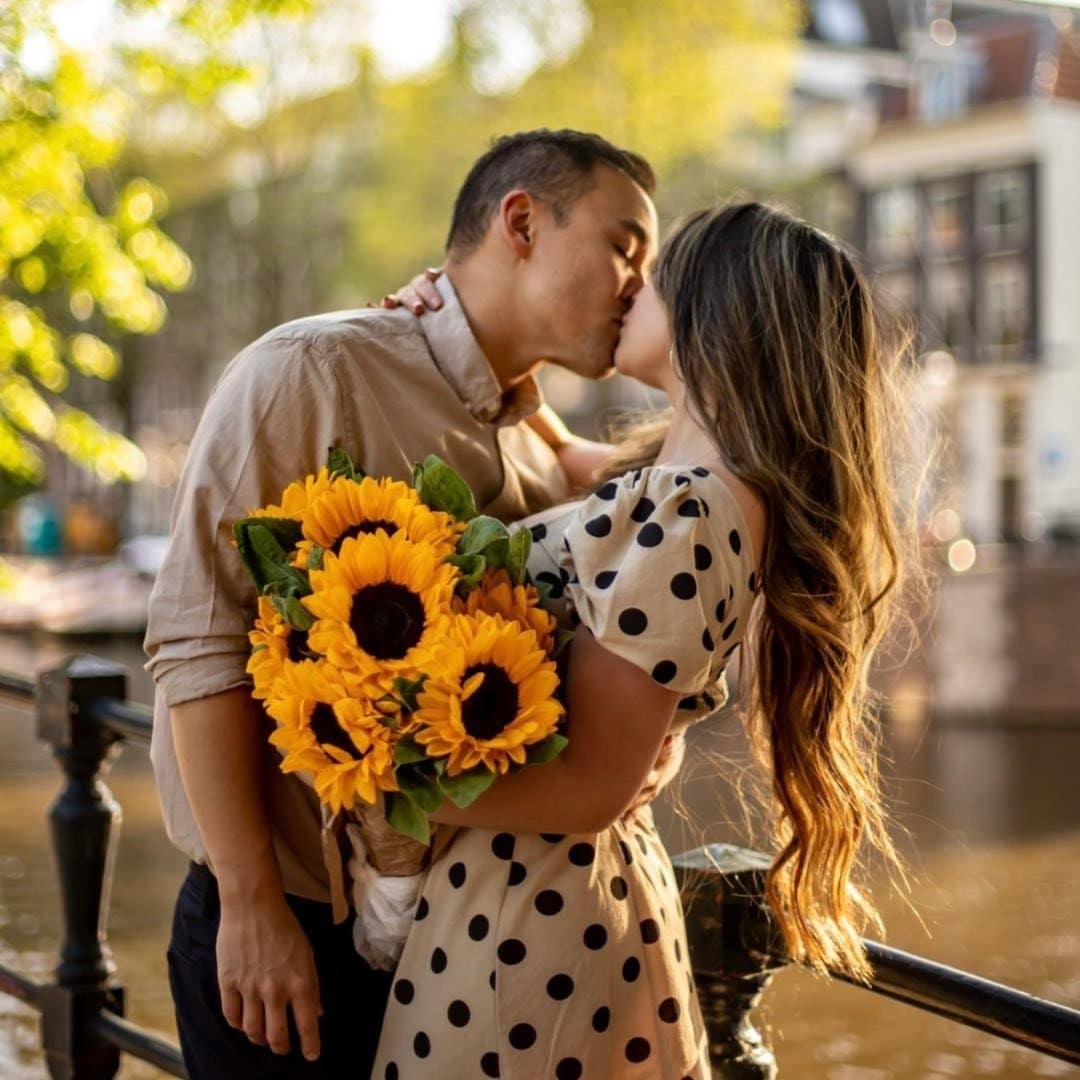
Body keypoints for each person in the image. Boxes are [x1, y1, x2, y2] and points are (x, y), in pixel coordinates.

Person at [142, 128, 659, 1080]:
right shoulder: (310, 372)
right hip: (290, 923)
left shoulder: (543, 451)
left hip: (464, 949)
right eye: (626, 247)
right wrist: (253, 907)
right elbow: (197, 641)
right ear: (521, 222)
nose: (639, 282)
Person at [367, 201, 919, 1078]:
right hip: (539, 903)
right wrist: (468, 348)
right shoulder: (685, 483)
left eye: (657, 279)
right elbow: (579, 470)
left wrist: (373, 783)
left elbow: (588, 785)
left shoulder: (693, 507)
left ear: (714, 314)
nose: (631, 290)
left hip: (527, 920)